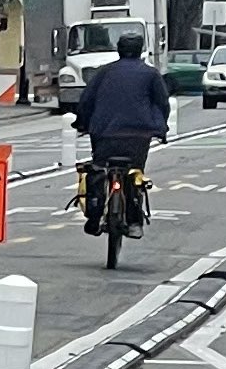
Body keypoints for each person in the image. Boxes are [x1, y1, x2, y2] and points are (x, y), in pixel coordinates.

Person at [69, 27, 173, 232]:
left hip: (105, 134)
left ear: (119, 50)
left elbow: (86, 100)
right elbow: (162, 104)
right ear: (141, 50)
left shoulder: (104, 72)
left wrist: (82, 123)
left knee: (99, 169)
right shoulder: (151, 74)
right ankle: (134, 221)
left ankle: (94, 215)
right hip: (138, 135)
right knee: (135, 173)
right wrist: (162, 129)